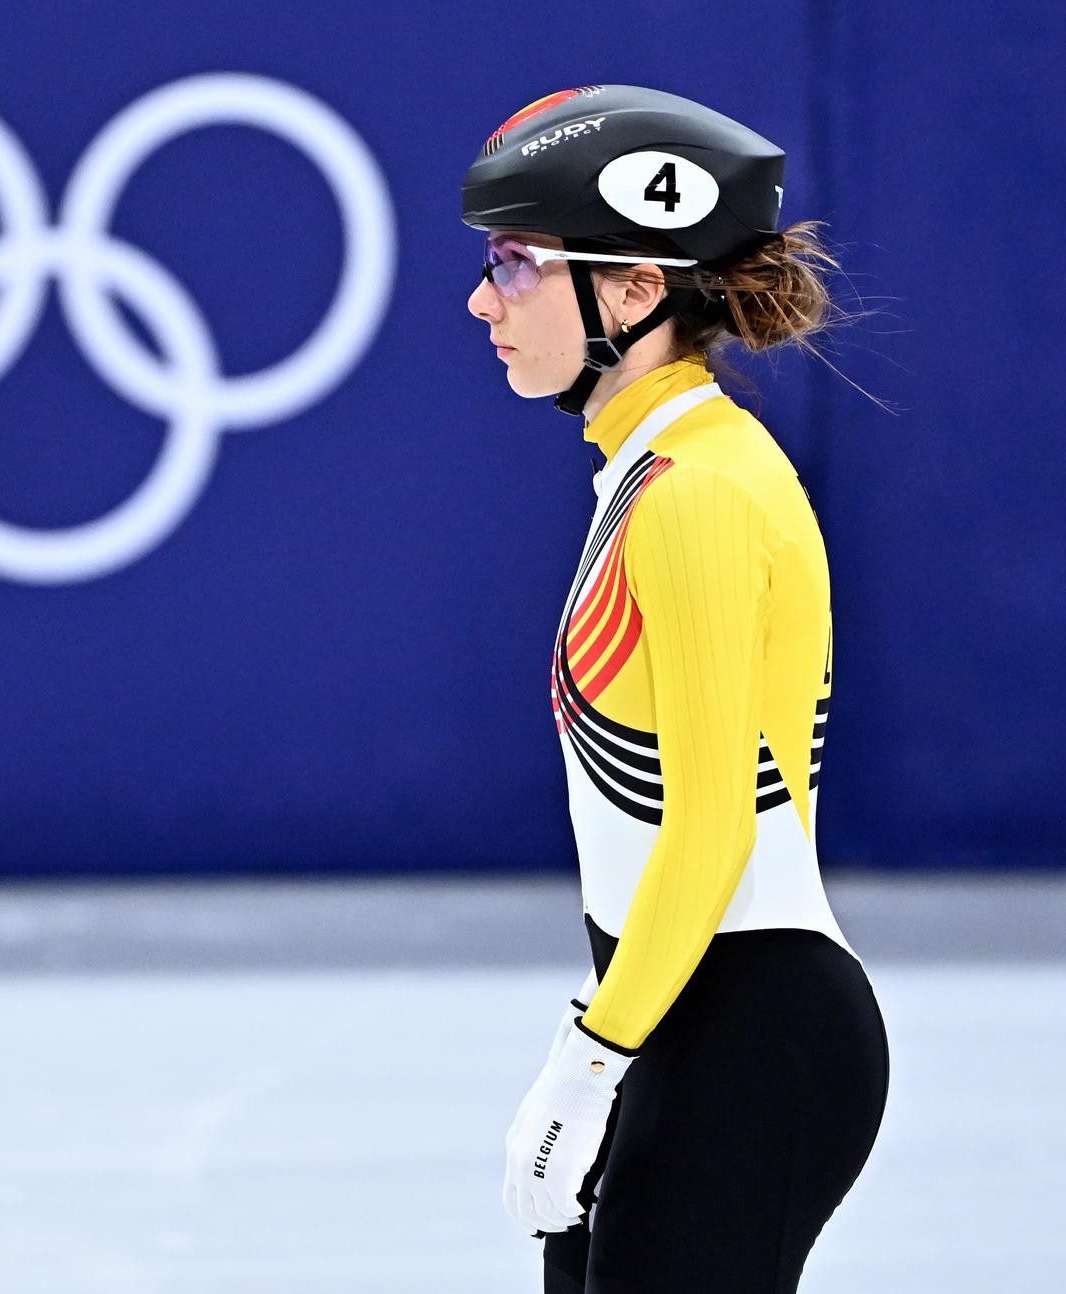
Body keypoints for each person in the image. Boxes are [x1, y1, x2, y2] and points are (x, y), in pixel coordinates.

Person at [461, 86, 889, 1293]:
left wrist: (588, 1065)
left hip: (751, 1032)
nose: (484, 298)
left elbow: (710, 828)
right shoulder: (646, 472)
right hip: (680, 1018)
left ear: (637, 287)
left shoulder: (698, 493)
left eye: (517, 262)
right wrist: (606, 1033)